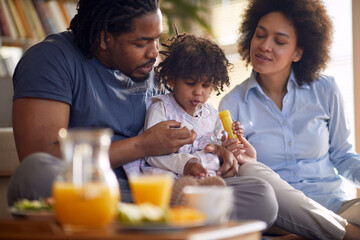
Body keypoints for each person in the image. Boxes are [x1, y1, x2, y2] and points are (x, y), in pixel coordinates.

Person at [7, 0, 276, 229]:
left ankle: (154, 215)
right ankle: (164, 216)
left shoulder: (151, 70)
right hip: (92, 190)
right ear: (103, 38)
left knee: (261, 196)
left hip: (166, 185)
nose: (154, 52)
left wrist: (218, 152)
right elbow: (38, 156)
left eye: (157, 38)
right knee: (34, 175)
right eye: (142, 42)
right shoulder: (51, 60)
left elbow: (186, 142)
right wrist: (143, 144)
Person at [219, 0, 360, 237]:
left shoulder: (326, 89)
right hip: (280, 217)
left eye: (279, 41)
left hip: (338, 209)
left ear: (298, 52)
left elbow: (343, 157)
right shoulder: (232, 105)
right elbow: (237, 175)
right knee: (251, 170)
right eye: (260, 35)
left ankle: (311, 235)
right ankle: (347, 235)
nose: (264, 46)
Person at [124, 33, 234, 179]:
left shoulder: (211, 115)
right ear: (171, 79)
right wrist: (186, 164)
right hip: (166, 171)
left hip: (202, 172)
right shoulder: (161, 108)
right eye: (190, 83)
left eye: (206, 85)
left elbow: (218, 142)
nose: (198, 92)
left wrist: (228, 142)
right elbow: (151, 153)